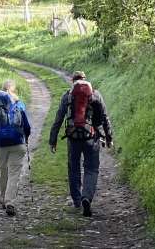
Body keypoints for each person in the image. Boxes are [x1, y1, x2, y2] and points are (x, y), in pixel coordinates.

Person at [49, 71, 113, 217]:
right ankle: (87, 197)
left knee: (74, 169)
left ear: (72, 81)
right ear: (85, 80)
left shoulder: (68, 96)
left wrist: (53, 140)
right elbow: (104, 117)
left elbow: (58, 119)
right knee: (91, 169)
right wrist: (109, 137)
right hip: (91, 137)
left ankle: (77, 201)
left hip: (73, 138)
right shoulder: (95, 94)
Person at [0, 80, 31, 216]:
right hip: (17, 144)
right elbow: (26, 125)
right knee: (14, 173)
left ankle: (2, 198)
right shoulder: (19, 104)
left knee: (2, 171)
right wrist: (26, 138)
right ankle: (10, 201)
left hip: (0, 145)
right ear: (14, 90)